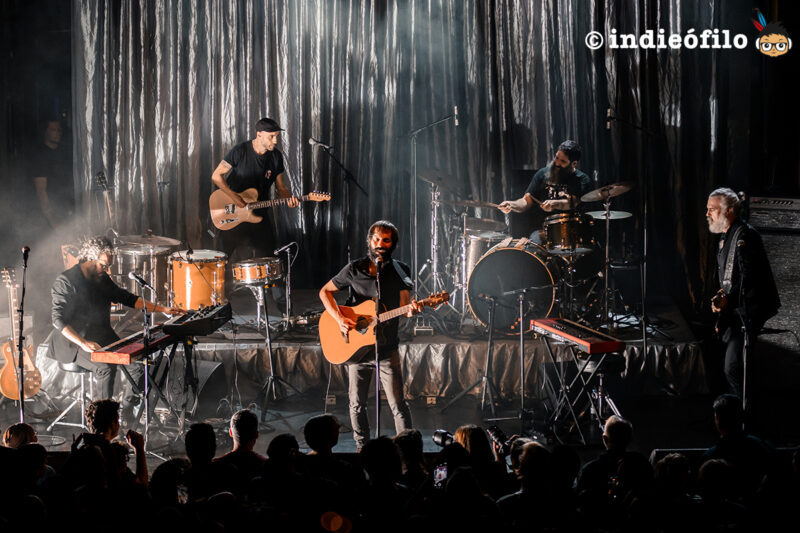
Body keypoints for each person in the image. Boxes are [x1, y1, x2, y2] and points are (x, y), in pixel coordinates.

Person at [47, 236, 182, 419]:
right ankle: (103, 420)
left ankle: (125, 411)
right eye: (104, 264)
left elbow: (127, 298)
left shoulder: (101, 278)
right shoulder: (65, 281)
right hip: (73, 343)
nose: (107, 269)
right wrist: (84, 343)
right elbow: (58, 320)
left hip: (100, 335)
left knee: (137, 362)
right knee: (105, 367)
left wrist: (163, 309)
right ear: (89, 258)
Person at [318, 220, 420, 450]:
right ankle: (362, 449)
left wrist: (412, 309)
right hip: (356, 349)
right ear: (369, 240)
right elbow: (325, 292)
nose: (380, 244)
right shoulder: (355, 269)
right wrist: (339, 318)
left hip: (386, 348)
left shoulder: (401, 269)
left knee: (398, 404)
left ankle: (407, 450)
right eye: (376, 239)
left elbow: (405, 308)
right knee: (357, 404)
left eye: (386, 240)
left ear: (393, 244)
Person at [210, 117, 299, 309]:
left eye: (277, 136)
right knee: (221, 258)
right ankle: (215, 304)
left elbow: (281, 188)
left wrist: (290, 198)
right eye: (271, 136)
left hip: (258, 214)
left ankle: (284, 309)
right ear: (259, 135)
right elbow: (216, 176)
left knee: (271, 259)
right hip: (232, 214)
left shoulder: (276, 157)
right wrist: (233, 196)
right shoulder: (240, 151)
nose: (275, 141)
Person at [706, 188, 780, 397]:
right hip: (733, 311)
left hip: (749, 311)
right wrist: (720, 303)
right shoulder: (724, 237)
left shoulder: (745, 236)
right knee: (724, 366)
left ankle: (741, 419)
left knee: (734, 367)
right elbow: (724, 280)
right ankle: (730, 411)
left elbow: (749, 278)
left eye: (712, 209)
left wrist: (726, 301)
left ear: (729, 210)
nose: (707, 214)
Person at [498, 139, 592, 241]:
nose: (557, 163)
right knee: (534, 241)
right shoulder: (542, 174)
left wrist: (554, 204)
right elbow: (526, 201)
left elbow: (571, 203)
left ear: (574, 163)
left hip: (572, 231)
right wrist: (511, 205)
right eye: (556, 158)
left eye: (563, 161)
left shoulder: (582, 179)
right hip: (545, 231)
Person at [28, 117, 74, 231]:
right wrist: (53, 222)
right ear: (45, 132)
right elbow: (41, 191)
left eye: (59, 130)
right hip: (48, 215)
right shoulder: (40, 155)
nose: (57, 133)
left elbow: (67, 184)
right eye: (53, 130)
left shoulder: (63, 153)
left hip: (64, 209)